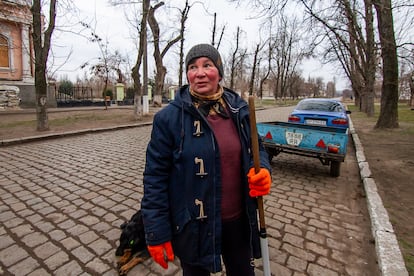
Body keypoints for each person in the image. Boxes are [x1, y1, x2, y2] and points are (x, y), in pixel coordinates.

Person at [141, 43, 272, 275]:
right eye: (192, 67)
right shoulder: (169, 119)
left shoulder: (239, 110)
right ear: (187, 75)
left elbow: (257, 147)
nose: (199, 72)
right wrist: (156, 231)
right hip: (194, 227)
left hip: (239, 222)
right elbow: (155, 178)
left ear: (219, 72)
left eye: (207, 65)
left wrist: (261, 169)